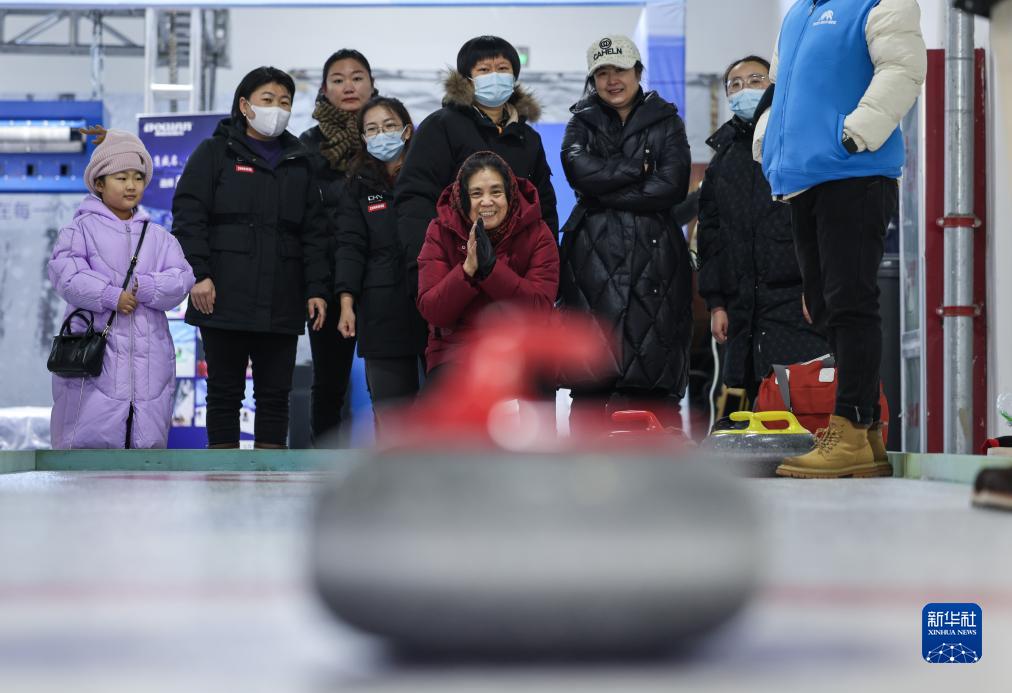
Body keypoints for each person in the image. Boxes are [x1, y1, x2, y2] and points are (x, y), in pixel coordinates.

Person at [754, 0, 926, 477]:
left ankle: (849, 425)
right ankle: (866, 432)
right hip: (804, 178)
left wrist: (853, 135)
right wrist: (766, 140)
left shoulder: (879, 3)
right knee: (824, 304)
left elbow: (903, 69)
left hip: (855, 174)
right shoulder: (797, 14)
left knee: (851, 301)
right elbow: (780, 85)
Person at [172, 66, 330, 450]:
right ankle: (221, 475)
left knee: (275, 395)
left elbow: (314, 233)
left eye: (285, 102)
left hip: (282, 298)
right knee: (224, 393)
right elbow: (189, 217)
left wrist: (317, 288)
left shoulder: (301, 161)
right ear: (244, 105)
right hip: (222, 296)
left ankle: (269, 476)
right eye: (267, 99)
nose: (277, 109)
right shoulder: (214, 153)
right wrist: (199, 274)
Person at [558, 35, 693, 433]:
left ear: (637, 71)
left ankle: (659, 462)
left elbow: (671, 185)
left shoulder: (667, 121)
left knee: (654, 372)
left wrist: (603, 190)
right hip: (592, 262)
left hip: (656, 260)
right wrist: (638, 169)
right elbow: (578, 172)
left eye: (619, 69)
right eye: (602, 73)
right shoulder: (580, 121)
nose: (611, 80)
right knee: (589, 380)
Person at [49, 128, 195, 449]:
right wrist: (109, 295)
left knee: (145, 458)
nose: (131, 185)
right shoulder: (80, 229)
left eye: (138, 178)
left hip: (149, 367)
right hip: (94, 360)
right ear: (99, 183)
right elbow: (65, 273)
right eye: (121, 177)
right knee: (89, 454)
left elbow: (183, 278)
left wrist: (148, 286)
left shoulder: (158, 236)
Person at [697, 55, 829, 405]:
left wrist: (817, 284)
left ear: (775, 85)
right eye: (735, 85)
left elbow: (823, 219)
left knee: (806, 399)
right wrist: (716, 303)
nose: (745, 90)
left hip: (797, 301)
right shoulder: (722, 161)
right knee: (760, 404)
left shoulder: (801, 141)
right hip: (743, 309)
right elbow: (710, 236)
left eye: (756, 80)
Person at [395, 35, 558, 300]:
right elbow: (415, 198)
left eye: (502, 69)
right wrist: (425, 267)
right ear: (467, 79)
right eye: (484, 69)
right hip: (457, 269)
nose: (495, 76)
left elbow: (544, 206)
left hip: (516, 276)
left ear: (514, 77)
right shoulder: (441, 126)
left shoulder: (528, 139)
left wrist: (548, 268)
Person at [416, 151, 559, 377]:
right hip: (456, 351)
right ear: (464, 199)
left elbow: (539, 311)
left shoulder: (538, 233)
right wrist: (467, 271)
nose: (486, 201)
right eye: (476, 193)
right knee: (441, 395)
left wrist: (493, 270)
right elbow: (433, 312)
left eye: (496, 192)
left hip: (524, 348)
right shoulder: (440, 231)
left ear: (509, 194)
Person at [335, 96, 428, 432]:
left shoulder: (429, 176)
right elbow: (350, 245)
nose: (381, 135)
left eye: (389, 126)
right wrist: (347, 302)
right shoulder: (357, 186)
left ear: (407, 131)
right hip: (380, 307)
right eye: (372, 129)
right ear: (363, 138)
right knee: (392, 417)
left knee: (442, 416)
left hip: (431, 302)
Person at [300, 49, 378, 446]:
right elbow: (306, 223)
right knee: (329, 382)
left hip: (383, 276)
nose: (349, 86)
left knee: (392, 382)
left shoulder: (388, 136)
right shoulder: (306, 146)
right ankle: (323, 465)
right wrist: (315, 284)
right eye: (338, 79)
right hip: (329, 279)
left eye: (357, 77)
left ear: (372, 85)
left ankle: (401, 466)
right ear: (324, 88)